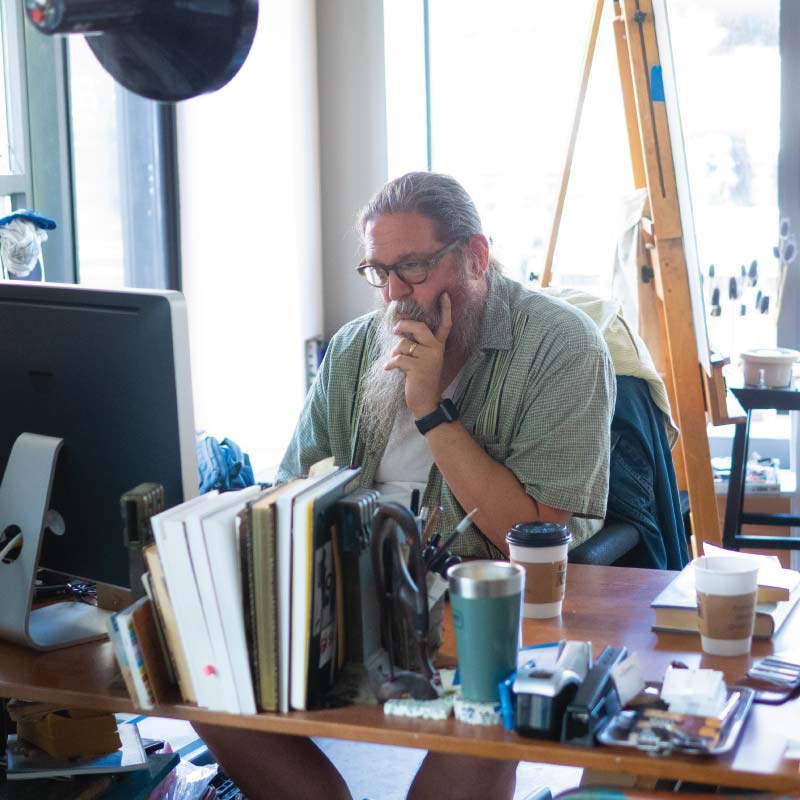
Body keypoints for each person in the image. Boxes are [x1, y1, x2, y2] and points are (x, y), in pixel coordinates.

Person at [194, 172, 615, 799]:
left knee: (484, 708)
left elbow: (537, 534)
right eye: (377, 271)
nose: (393, 294)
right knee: (201, 675)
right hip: (353, 602)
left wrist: (431, 410)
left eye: (413, 269)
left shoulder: (559, 345)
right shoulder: (354, 350)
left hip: (480, 607)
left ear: (474, 256)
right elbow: (291, 493)